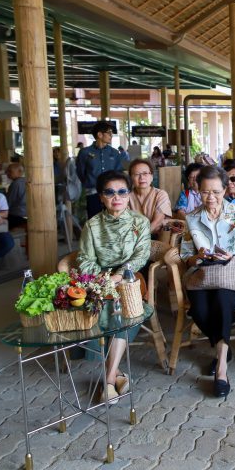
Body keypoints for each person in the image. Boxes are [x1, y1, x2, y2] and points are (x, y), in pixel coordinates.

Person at [179, 165, 235, 397]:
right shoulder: (192, 218)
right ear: (197, 190)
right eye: (205, 192)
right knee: (200, 312)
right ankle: (223, 345)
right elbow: (185, 255)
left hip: (232, 272)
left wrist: (233, 257)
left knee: (223, 304)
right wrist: (198, 257)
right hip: (202, 275)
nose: (211, 198)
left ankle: (221, 366)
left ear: (225, 190)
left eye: (216, 192)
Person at [77, 170, 151, 403]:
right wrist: (101, 277)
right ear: (101, 197)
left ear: (129, 195)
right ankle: (116, 374)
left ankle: (108, 380)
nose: (116, 197)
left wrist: (118, 277)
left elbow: (141, 255)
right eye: (109, 192)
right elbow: (84, 258)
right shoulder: (92, 225)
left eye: (121, 192)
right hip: (100, 278)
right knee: (101, 308)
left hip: (130, 277)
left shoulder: (140, 222)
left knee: (120, 310)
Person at [76, 121, 123, 219]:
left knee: (112, 221)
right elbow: (80, 172)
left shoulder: (114, 153)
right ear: (99, 134)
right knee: (94, 222)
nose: (111, 135)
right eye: (109, 133)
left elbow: (118, 173)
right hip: (92, 193)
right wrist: (89, 183)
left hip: (111, 194)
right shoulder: (85, 152)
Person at [128, 159, 172, 236]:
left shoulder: (160, 194)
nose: (141, 177)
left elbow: (157, 222)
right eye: (137, 174)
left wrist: (140, 236)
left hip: (158, 238)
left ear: (151, 177)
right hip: (133, 237)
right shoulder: (127, 197)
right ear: (131, 178)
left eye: (145, 173)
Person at [5, 163, 28, 229]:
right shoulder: (25, 180)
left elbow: (9, 202)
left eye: (10, 171)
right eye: (7, 171)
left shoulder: (16, 183)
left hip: (18, 215)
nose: (7, 173)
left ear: (19, 171)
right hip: (25, 213)